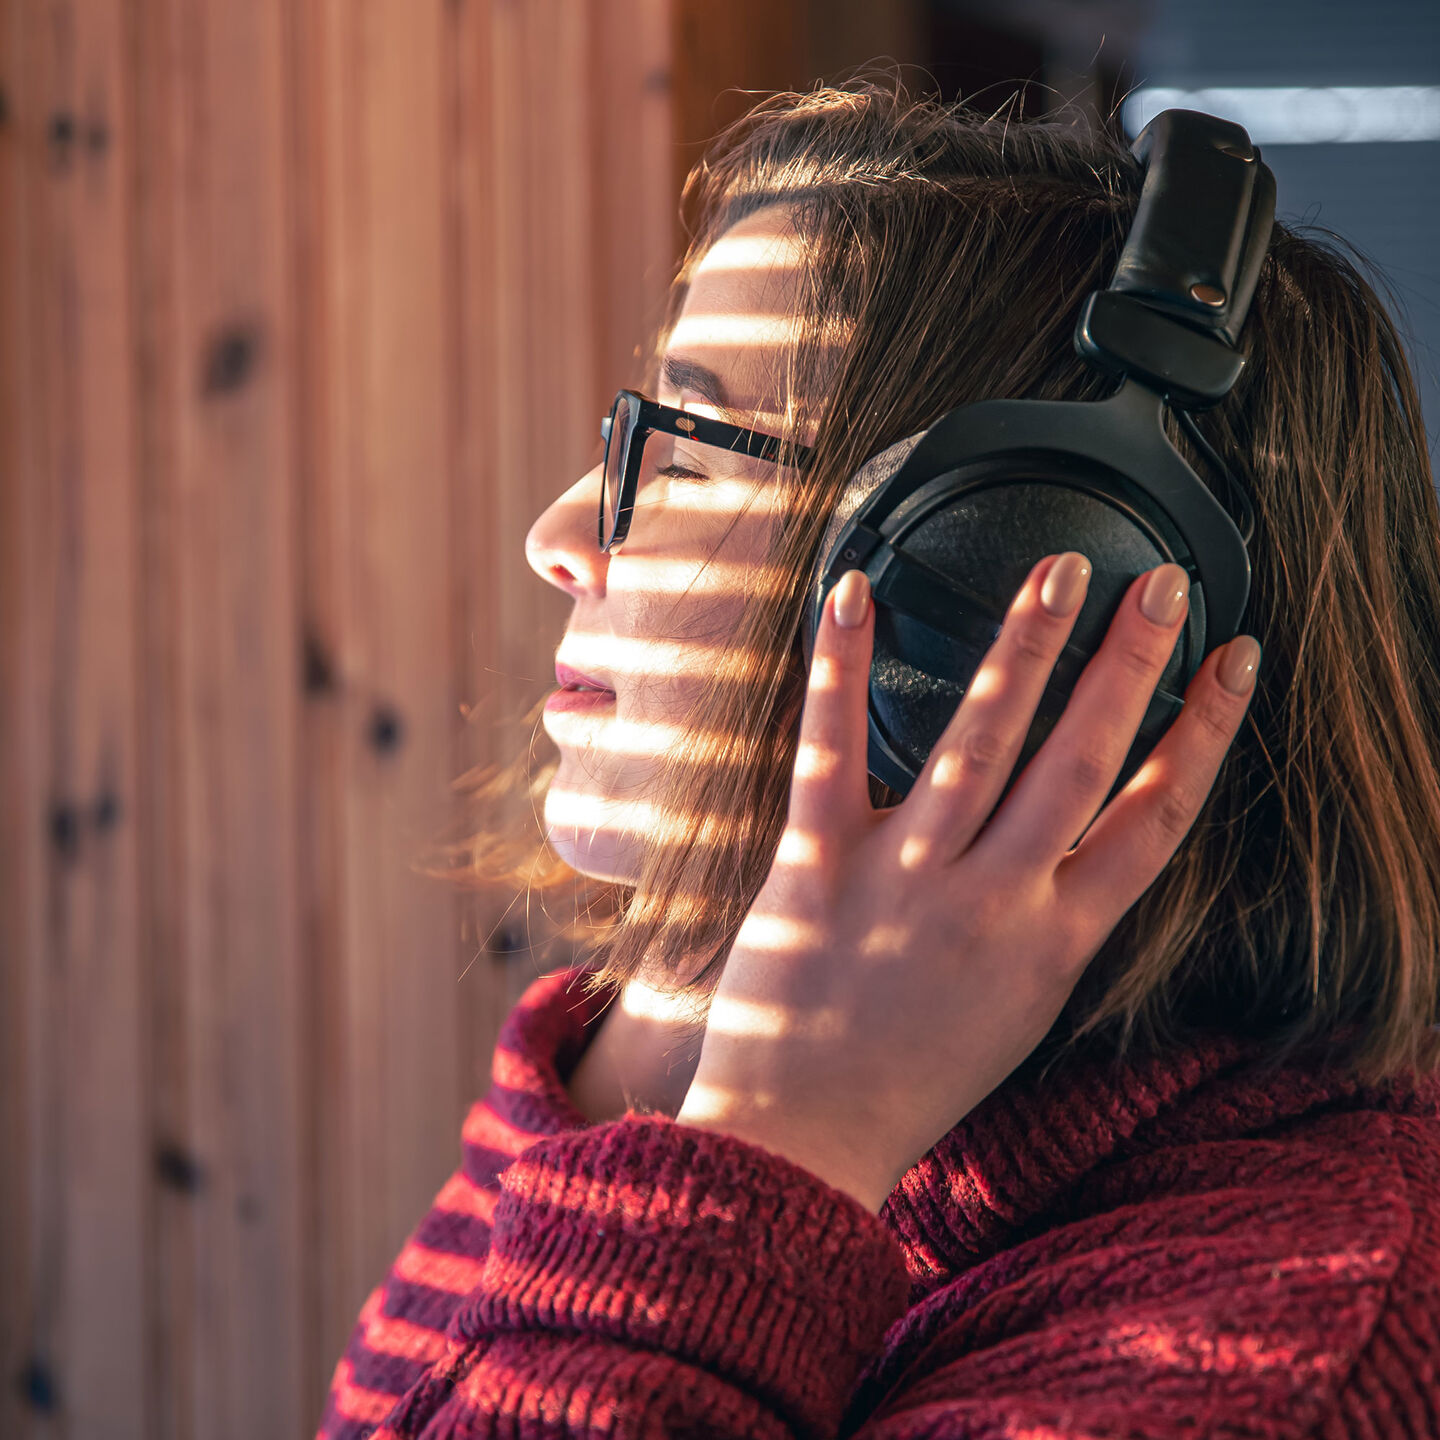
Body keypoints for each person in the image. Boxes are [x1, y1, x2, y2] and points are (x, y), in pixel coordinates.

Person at [315, 83, 1440, 1440]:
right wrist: (678, 1067)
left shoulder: (1267, 1339)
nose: (563, 534)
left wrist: (767, 1149)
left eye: (698, 453)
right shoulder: (635, 1066)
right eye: (640, 437)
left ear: (1028, 582)